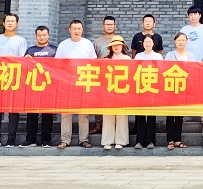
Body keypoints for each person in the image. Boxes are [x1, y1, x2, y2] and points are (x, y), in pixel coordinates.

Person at [0, 13, 28, 147]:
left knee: (13, 110)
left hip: (14, 78)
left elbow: (23, 60)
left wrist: (13, 59)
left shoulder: (21, 40)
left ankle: (11, 138)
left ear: (17, 24)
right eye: (8, 21)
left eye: (13, 21)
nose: (10, 23)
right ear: (3, 23)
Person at [55, 19, 97, 149]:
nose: (76, 31)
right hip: (67, 83)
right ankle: (65, 140)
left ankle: (84, 139)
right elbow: (56, 64)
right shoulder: (63, 44)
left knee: (83, 114)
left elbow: (94, 63)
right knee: (66, 113)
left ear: (82, 30)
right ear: (69, 30)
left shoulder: (87, 44)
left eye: (79, 28)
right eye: (74, 29)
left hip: (83, 83)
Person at [19, 26, 57, 148]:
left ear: (48, 35)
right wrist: (25, 60)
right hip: (33, 86)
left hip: (49, 86)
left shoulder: (54, 50)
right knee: (32, 114)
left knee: (47, 114)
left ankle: (46, 140)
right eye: (39, 35)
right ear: (36, 36)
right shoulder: (30, 50)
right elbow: (23, 68)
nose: (42, 37)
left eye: (44, 35)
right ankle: (31, 139)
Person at [164, 32, 196, 150]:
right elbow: (164, 70)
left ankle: (177, 140)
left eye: (183, 40)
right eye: (179, 40)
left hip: (183, 88)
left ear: (186, 42)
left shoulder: (190, 55)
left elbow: (193, 71)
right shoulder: (169, 55)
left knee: (179, 115)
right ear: (175, 41)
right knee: (170, 115)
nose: (181, 42)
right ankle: (170, 140)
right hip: (171, 88)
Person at [101, 36, 131, 150]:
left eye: (118, 45)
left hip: (123, 91)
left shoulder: (128, 59)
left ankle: (121, 141)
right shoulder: (106, 60)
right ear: (110, 47)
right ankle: (107, 141)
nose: (116, 47)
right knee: (108, 116)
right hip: (109, 91)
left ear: (122, 46)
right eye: (114, 45)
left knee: (122, 116)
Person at [133, 35, 162, 149]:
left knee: (151, 116)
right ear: (142, 44)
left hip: (153, 88)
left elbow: (161, 70)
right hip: (140, 88)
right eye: (146, 42)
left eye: (150, 42)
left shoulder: (158, 56)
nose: (148, 44)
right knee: (140, 115)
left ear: (153, 44)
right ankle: (139, 141)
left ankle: (150, 141)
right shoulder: (138, 56)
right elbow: (134, 70)